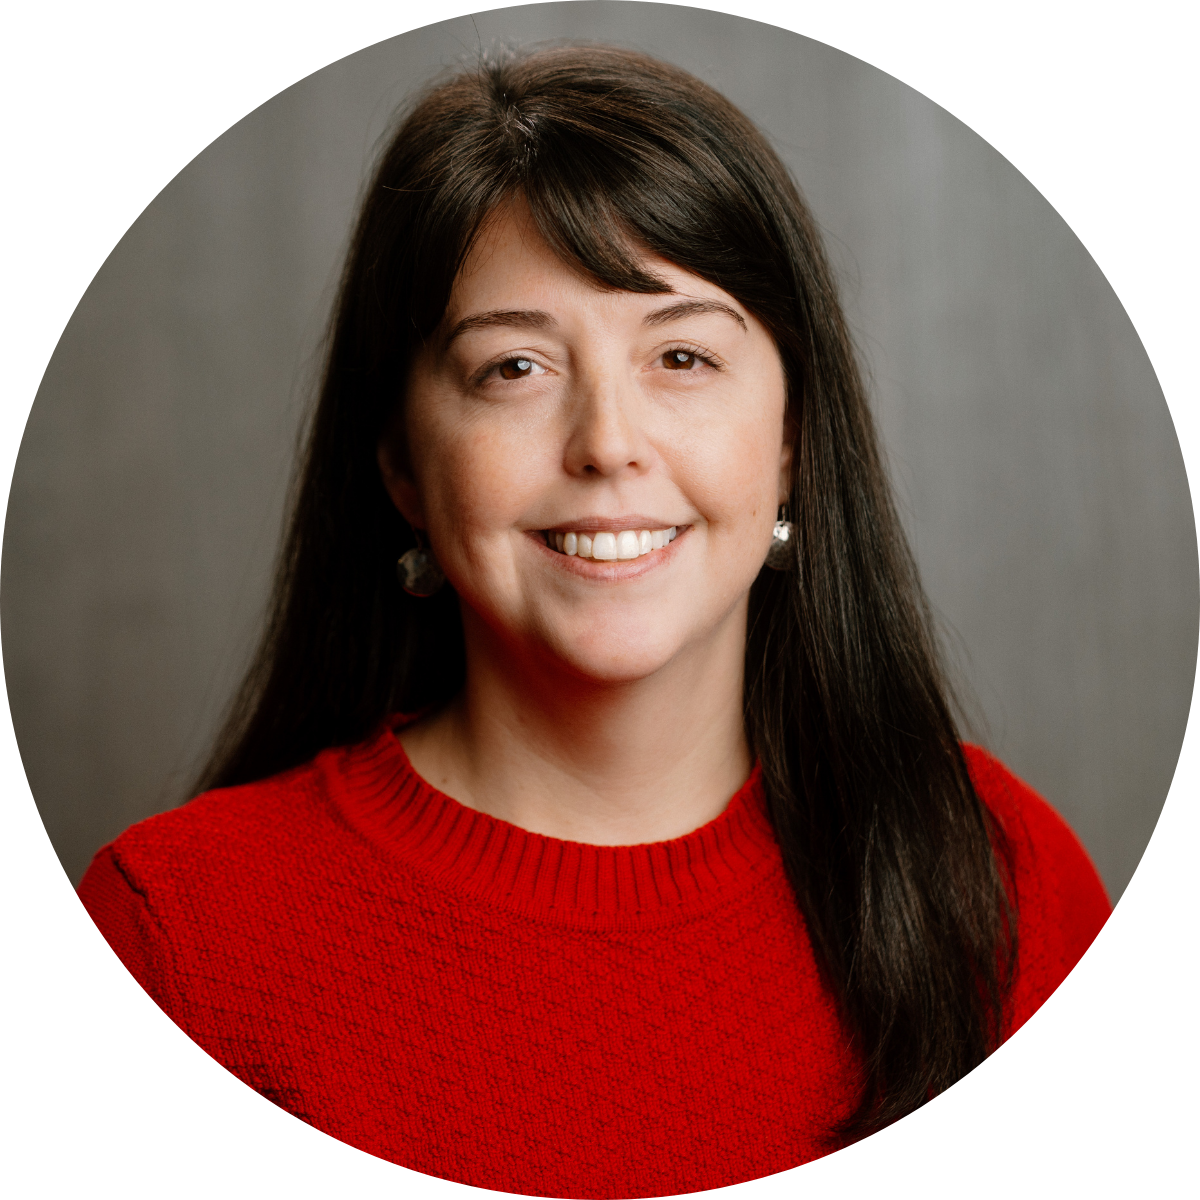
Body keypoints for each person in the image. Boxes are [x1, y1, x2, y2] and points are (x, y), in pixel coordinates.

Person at [76, 42, 1111, 1198]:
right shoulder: (176, 940)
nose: (607, 442)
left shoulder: (1003, 884)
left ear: (790, 440)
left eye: (682, 355)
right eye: (513, 367)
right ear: (402, 467)